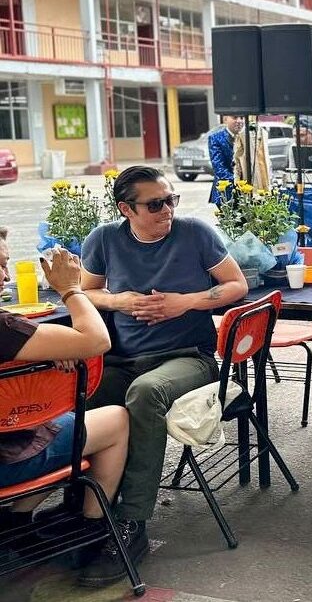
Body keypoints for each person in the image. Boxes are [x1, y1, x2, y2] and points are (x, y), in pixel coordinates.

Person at [79, 166, 248, 585]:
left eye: (171, 200)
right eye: (155, 204)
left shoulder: (195, 233)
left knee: (146, 393)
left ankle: (132, 522)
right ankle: (83, 511)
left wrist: (185, 303)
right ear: (126, 208)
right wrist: (117, 302)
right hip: (123, 358)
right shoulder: (104, 239)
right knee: (80, 398)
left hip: (188, 356)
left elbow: (236, 285)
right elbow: (86, 291)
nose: (167, 210)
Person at [0, 237, 132, 586]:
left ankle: (18, 520)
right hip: (7, 463)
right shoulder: (5, 330)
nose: (5, 276)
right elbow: (97, 341)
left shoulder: (11, 332)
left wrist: (49, 343)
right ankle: (92, 529)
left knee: (50, 424)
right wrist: (73, 289)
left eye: (6, 263)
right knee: (116, 418)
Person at [208, 114, 243, 206]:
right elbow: (219, 168)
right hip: (225, 193)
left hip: (246, 193)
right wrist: (239, 182)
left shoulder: (247, 138)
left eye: (242, 118)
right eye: (235, 117)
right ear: (225, 119)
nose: (239, 121)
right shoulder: (215, 138)